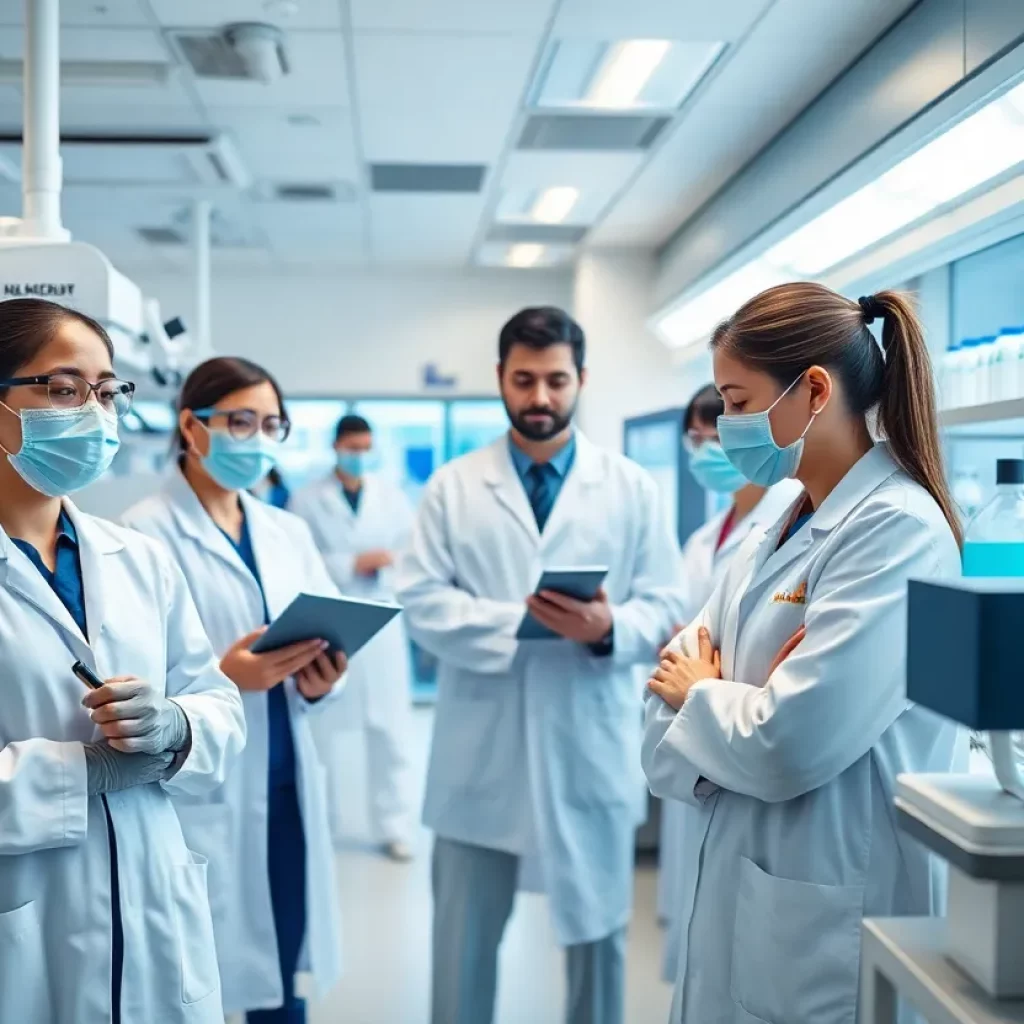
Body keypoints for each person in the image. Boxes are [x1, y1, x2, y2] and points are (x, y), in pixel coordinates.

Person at [642, 284, 965, 1024]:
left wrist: (704, 694)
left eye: (737, 401)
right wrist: (740, 699)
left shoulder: (897, 531)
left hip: (832, 898)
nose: (727, 426)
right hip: (750, 880)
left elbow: (788, 745)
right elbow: (661, 712)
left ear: (814, 391)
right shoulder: (775, 527)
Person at [396, 306, 686, 1024]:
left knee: (599, 944)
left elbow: (667, 603)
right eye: (524, 380)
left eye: (556, 380)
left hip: (588, 743)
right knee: (461, 949)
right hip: (478, 757)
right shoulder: (454, 486)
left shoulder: (630, 487)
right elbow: (421, 603)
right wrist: (529, 625)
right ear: (500, 376)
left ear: (581, 378)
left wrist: (607, 628)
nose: (540, 397)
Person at [0, 298, 246, 1023]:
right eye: (64, 389)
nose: (94, 413)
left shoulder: (139, 559)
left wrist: (177, 726)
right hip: (28, 923)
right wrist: (83, 771)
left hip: (154, 905)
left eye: (107, 392)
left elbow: (219, 705)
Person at [122, 357, 347, 1024]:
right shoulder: (139, 534)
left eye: (272, 425)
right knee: (197, 981)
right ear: (192, 427)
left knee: (283, 964)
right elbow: (130, 684)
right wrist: (226, 678)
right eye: (240, 422)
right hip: (201, 790)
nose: (257, 439)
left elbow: (325, 628)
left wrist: (322, 681)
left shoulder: (287, 531)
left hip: (286, 782)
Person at [656, 383, 801, 981]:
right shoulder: (707, 535)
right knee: (697, 929)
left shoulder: (788, 516)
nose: (703, 449)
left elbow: (774, 710)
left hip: (741, 754)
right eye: (692, 439)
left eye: (716, 427)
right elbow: (681, 654)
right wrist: (692, 671)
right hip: (697, 745)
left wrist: (699, 681)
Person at [291, 414, 416, 861]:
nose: (359, 456)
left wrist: (385, 563)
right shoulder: (307, 499)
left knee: (391, 730)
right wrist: (350, 563)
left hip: (381, 617)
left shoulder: (392, 497)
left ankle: (394, 825)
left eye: (365, 448)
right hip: (331, 620)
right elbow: (297, 559)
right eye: (352, 448)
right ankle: (322, 822)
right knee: (323, 731)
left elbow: (412, 553)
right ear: (336, 447)